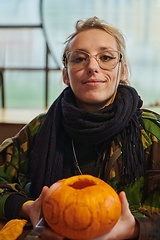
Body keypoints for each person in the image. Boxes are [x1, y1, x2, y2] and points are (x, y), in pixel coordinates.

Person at [0, 16, 160, 240]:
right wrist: (27, 207)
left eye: (106, 57)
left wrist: (136, 229)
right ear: (65, 74)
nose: (92, 67)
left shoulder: (152, 132)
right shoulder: (39, 129)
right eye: (79, 59)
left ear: (123, 71)